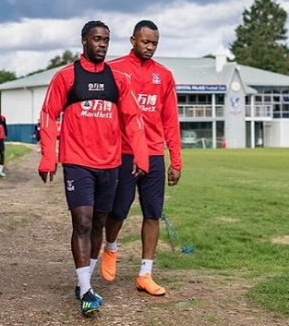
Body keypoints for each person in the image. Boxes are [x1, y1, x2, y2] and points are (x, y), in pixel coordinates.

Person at [37, 20, 149, 316]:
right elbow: (48, 115)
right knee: (83, 223)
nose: (102, 44)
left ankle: (84, 278)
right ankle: (86, 291)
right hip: (77, 163)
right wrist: (49, 157)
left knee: (99, 223)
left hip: (110, 164)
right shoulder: (66, 77)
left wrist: (141, 155)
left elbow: (134, 120)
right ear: (84, 41)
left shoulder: (119, 79)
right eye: (97, 39)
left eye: (106, 39)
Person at [102, 20, 182, 296]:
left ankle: (145, 273)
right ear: (133, 40)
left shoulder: (164, 75)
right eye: (145, 42)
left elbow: (170, 120)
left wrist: (176, 160)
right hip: (123, 153)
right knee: (118, 210)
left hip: (153, 155)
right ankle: (110, 247)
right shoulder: (113, 70)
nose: (150, 47)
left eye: (154, 43)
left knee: (152, 213)